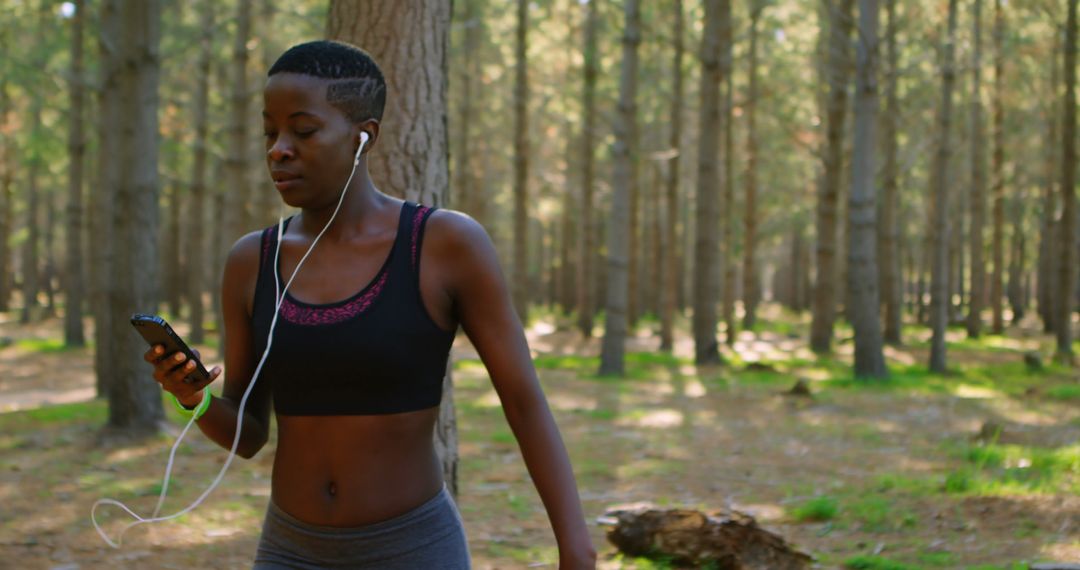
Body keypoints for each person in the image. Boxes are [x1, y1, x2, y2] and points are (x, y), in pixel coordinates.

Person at [144, 40, 597, 569]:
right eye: (270, 132)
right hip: (291, 551)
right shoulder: (253, 261)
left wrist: (575, 547)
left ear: (365, 136)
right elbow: (247, 437)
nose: (278, 149)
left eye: (303, 130)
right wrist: (191, 395)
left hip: (413, 549)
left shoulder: (443, 245)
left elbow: (523, 402)